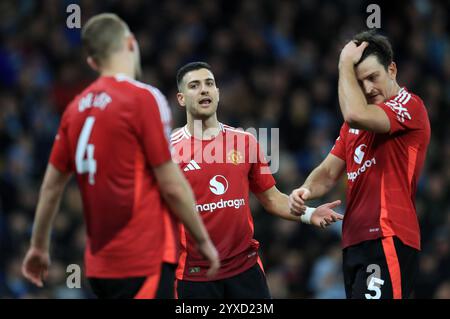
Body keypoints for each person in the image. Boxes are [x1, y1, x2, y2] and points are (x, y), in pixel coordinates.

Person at [21, 13, 219, 299]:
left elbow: (51, 187)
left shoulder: (74, 109)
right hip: (143, 260)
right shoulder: (143, 98)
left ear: (92, 62)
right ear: (131, 43)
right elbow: (172, 184)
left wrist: (38, 247)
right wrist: (203, 240)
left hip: (99, 269)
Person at [170, 61, 343, 299]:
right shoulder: (167, 151)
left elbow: (272, 199)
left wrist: (310, 214)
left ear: (218, 94)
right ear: (181, 98)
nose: (204, 90)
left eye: (209, 84)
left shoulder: (245, 141)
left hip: (245, 271)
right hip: (195, 276)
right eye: (194, 85)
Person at [289, 30, 431, 299]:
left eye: (372, 77)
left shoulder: (410, 106)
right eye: (359, 82)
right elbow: (329, 172)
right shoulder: (352, 128)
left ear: (392, 69)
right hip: (354, 241)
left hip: (388, 234)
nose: (367, 88)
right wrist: (305, 191)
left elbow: (354, 113)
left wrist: (343, 63)